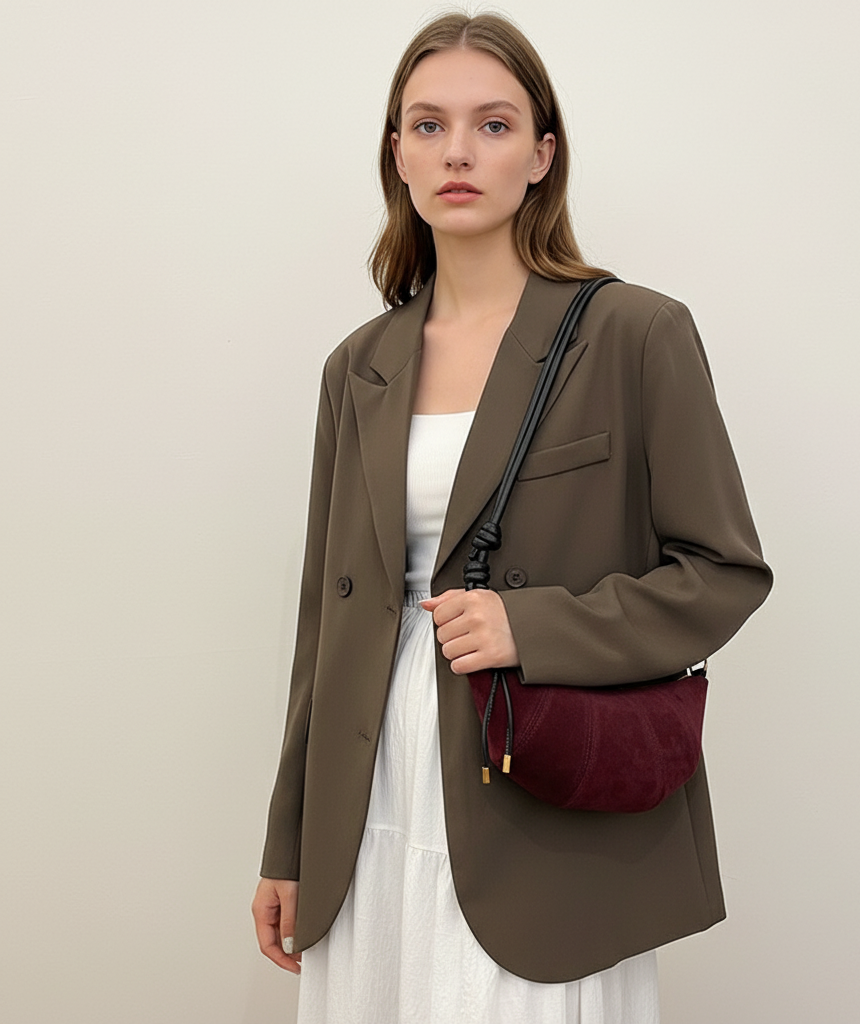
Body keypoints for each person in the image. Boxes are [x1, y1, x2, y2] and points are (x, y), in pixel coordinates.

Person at [252, 11, 772, 1023]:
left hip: (529, 795)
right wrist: (287, 842)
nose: (457, 151)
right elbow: (326, 620)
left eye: (492, 125)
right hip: (368, 796)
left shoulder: (634, 334)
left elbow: (723, 571)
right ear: (395, 153)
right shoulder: (357, 366)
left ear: (542, 154)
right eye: (427, 124)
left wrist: (530, 627)